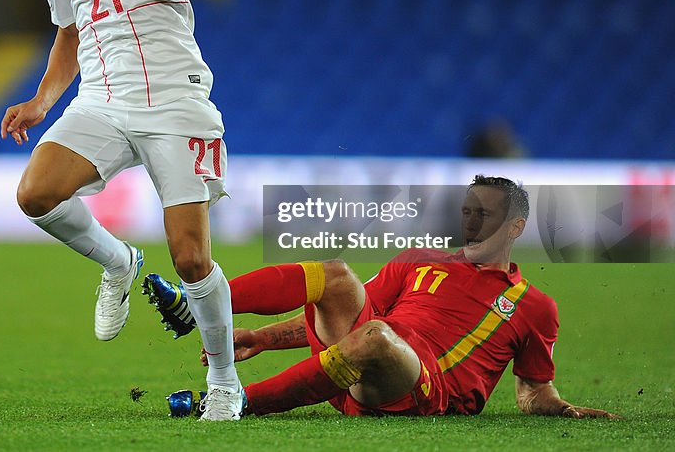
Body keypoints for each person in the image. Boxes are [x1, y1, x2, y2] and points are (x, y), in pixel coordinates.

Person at [0, 0, 243, 419]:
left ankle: (223, 380)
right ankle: (119, 263)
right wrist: (41, 99)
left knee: (191, 257)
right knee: (35, 194)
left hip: (175, 100)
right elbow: (70, 32)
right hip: (102, 101)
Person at [148, 175, 618, 420]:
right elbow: (347, 307)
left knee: (377, 335)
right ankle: (198, 305)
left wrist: (561, 408)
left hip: (422, 384)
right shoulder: (419, 260)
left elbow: (532, 391)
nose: (471, 223)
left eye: (486, 215)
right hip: (361, 359)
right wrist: (264, 338)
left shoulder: (534, 306)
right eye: (467, 211)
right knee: (334, 275)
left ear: (515, 227)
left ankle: (234, 403)